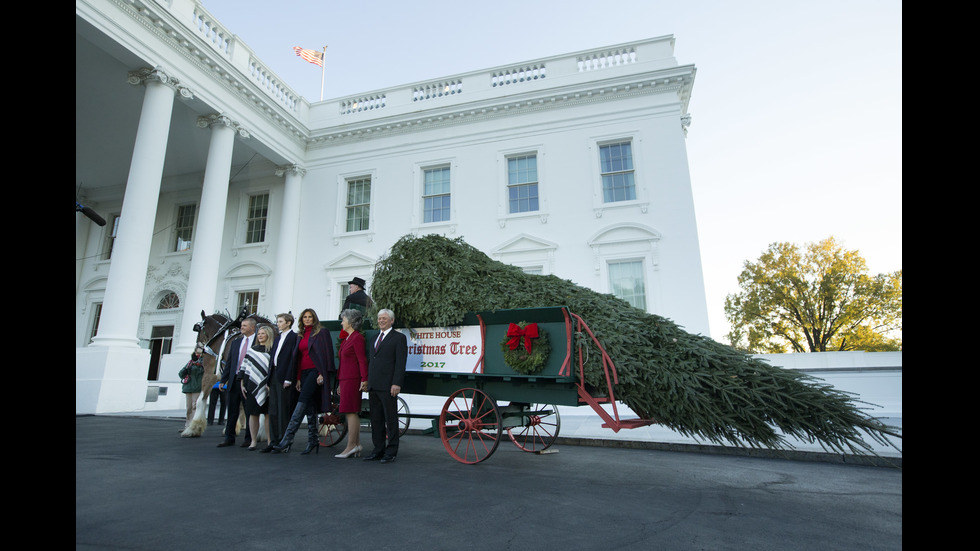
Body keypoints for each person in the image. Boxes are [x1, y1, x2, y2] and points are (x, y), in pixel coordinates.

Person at [272, 308, 336, 454]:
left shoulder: (322, 332)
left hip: (315, 372)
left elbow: (327, 354)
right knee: (310, 405)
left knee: (301, 402)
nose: (307, 319)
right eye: (305, 317)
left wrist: (322, 373)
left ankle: (287, 439)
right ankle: (313, 440)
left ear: (314, 318)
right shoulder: (300, 335)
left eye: (310, 317)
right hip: (304, 374)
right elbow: (298, 359)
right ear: (301, 320)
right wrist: (299, 378)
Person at [362, 308, 407, 464]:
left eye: (384, 318)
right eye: (380, 318)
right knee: (376, 420)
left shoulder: (399, 338)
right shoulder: (374, 338)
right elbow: (371, 362)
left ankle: (391, 451)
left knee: (391, 420)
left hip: (388, 386)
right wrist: (367, 381)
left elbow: (400, 364)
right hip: (374, 385)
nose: (381, 321)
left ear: (392, 321)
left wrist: (396, 383)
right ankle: (378, 449)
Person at [217, 316, 257, 448]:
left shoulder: (258, 341)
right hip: (234, 380)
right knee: (232, 410)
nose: (242, 327)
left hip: (249, 381)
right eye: (242, 325)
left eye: (245, 326)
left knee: (249, 410)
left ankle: (249, 438)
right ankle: (229, 438)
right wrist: (224, 380)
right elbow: (230, 363)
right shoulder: (236, 342)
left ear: (252, 327)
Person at [261, 312, 298, 453]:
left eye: (281, 321)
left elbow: (292, 359)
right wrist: (269, 379)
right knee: (273, 409)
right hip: (275, 375)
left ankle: (284, 441)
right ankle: (274, 441)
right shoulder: (277, 338)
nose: (278, 323)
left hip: (285, 377)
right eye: (278, 321)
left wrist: (289, 378)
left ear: (288, 323)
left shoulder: (293, 337)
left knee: (283, 410)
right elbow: (272, 359)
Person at [335, 309, 369, 458]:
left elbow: (362, 360)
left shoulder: (357, 338)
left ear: (350, 322)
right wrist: (339, 383)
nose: (342, 322)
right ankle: (355, 444)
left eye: (343, 320)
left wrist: (364, 379)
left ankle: (352, 446)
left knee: (351, 411)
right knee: (349, 411)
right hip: (345, 379)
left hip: (353, 379)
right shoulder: (348, 338)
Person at [241, 324, 274, 451]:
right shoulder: (252, 350)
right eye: (259, 334)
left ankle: (269, 440)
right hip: (251, 386)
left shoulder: (272, 350)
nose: (260, 336)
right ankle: (253, 441)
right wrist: (242, 383)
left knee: (267, 414)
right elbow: (244, 369)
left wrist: (270, 384)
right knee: (252, 414)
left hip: (267, 387)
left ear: (268, 335)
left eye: (263, 333)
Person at [178, 346, 205, 433]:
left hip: (197, 388)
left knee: (194, 407)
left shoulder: (203, 364)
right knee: (189, 408)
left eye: (200, 353)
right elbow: (181, 374)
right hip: (188, 387)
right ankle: (187, 425)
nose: (198, 355)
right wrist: (186, 370)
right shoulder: (190, 362)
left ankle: (193, 426)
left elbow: (202, 373)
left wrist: (197, 366)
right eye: (197, 353)